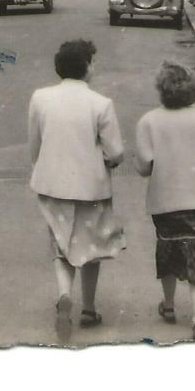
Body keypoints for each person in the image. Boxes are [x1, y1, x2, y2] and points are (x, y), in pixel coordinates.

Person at [28, 39, 126, 341]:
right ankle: (89, 307)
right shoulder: (101, 104)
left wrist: (42, 166)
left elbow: (36, 143)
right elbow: (116, 151)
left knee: (61, 244)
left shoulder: (40, 98)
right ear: (87, 67)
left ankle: (63, 295)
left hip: (53, 183)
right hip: (91, 187)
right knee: (90, 247)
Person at [134, 62, 195, 341]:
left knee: (169, 250)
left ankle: (169, 305)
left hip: (165, 199)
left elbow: (145, 166)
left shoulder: (148, 121)